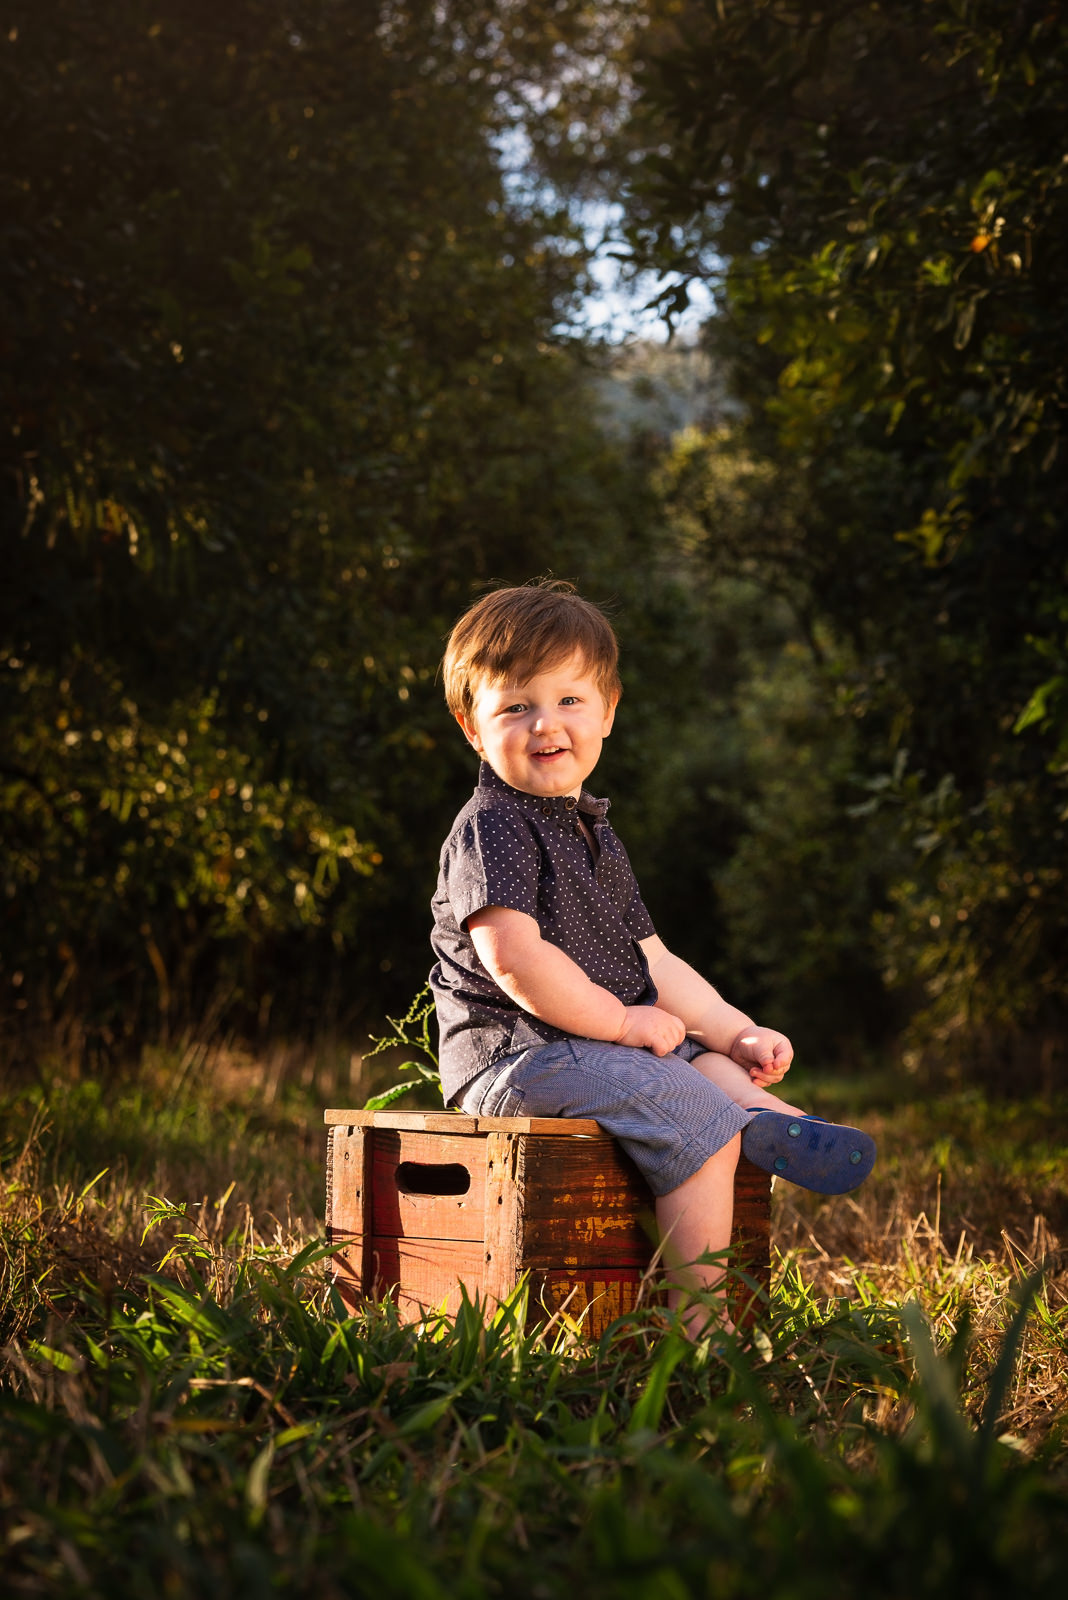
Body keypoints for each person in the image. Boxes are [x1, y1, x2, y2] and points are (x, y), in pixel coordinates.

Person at [429, 579, 874, 1336]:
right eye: (516, 707)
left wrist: (736, 1030)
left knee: (711, 1065)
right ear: (474, 729)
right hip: (515, 1059)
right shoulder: (493, 825)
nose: (547, 724)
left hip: (586, 1046)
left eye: (570, 700)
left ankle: (769, 1116)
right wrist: (621, 1021)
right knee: (697, 1117)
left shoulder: (593, 835)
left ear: (608, 711)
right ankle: (695, 1330)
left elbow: (655, 963)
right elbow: (514, 960)